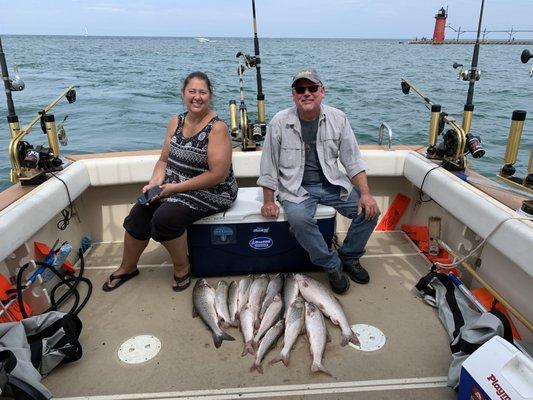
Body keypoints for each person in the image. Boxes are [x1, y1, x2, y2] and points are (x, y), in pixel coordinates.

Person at [103, 71, 238, 292]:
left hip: (213, 190)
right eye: (192, 91)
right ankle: (127, 267)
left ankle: (182, 268)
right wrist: (154, 184)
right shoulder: (175, 121)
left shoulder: (217, 128)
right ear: (183, 93)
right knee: (139, 213)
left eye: (202, 92)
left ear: (210, 95)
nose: (197, 97)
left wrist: (173, 189)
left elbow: (218, 175)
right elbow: (164, 160)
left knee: (165, 219)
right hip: (173, 186)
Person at [257, 68, 379, 294]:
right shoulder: (279, 122)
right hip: (296, 188)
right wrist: (269, 201)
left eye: (312, 88)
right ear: (293, 95)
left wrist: (365, 193)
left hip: (332, 184)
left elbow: (352, 161)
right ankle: (332, 265)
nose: (307, 93)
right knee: (300, 220)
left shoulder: (338, 118)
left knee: (370, 212)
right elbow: (269, 166)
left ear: (322, 91)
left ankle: (349, 256)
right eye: (300, 89)